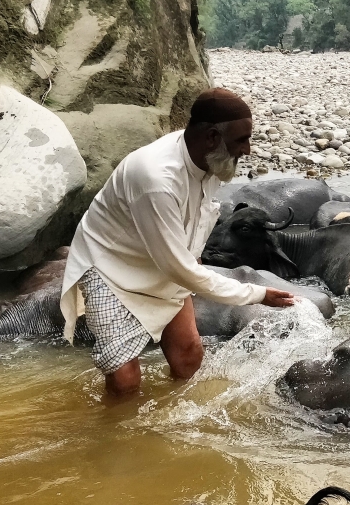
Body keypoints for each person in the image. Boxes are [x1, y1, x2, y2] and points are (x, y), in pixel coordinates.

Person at [59, 88, 295, 396]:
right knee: (125, 380)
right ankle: (119, 434)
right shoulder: (156, 179)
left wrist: (193, 258)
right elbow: (179, 270)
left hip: (165, 257)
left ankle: (171, 426)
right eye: (241, 140)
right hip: (110, 266)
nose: (248, 150)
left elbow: (198, 220)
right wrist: (256, 294)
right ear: (211, 136)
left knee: (188, 357)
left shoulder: (210, 160)